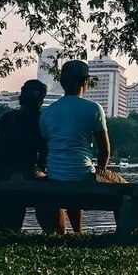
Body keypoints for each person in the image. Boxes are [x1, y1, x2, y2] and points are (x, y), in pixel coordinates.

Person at [40, 60, 118, 233]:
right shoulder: (93, 109)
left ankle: (72, 233)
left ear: (62, 83)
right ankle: (79, 232)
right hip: (83, 176)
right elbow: (104, 150)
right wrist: (101, 170)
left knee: (72, 175)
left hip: (54, 176)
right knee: (120, 184)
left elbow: (45, 149)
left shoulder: (48, 112)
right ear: (85, 81)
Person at [0, 79, 51, 233]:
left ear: (21, 97)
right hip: (27, 173)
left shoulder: (7, 119)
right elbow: (44, 153)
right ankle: (53, 231)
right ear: (41, 100)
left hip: (2, 173)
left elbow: (1, 147)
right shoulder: (43, 121)